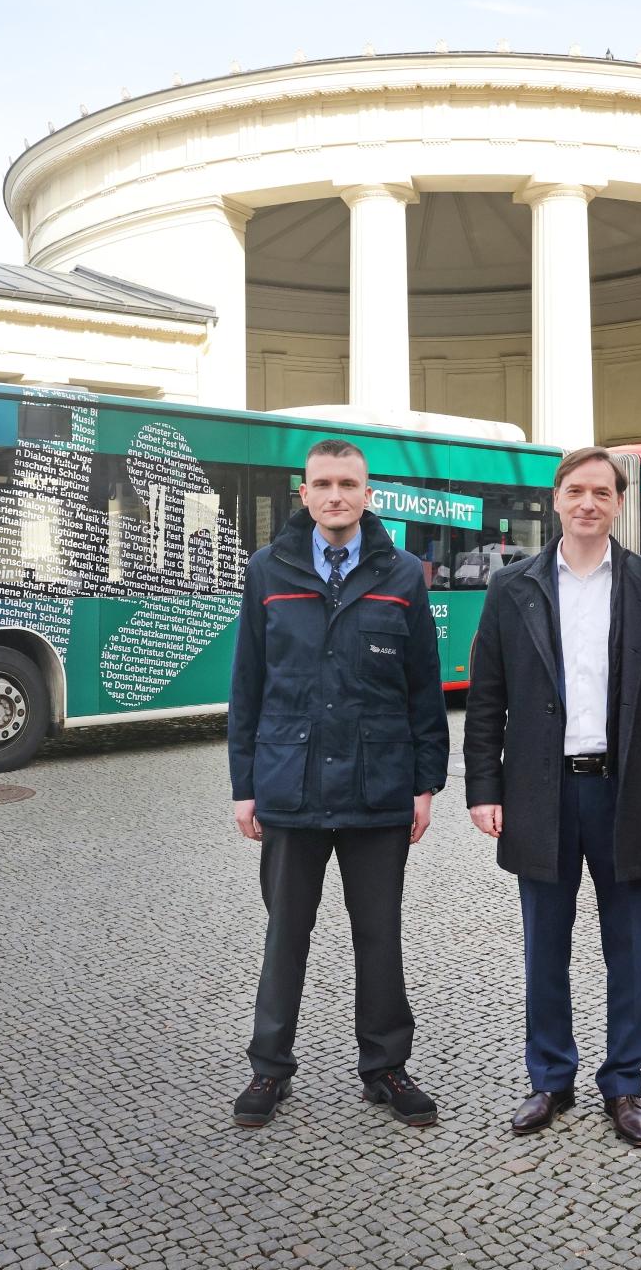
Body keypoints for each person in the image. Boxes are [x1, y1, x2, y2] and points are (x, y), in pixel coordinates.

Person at [464, 446, 641, 1147]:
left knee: (628, 947)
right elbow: (487, 700)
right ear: (556, 499)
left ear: (618, 503)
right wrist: (483, 787)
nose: (588, 504)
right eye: (575, 491)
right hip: (540, 793)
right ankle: (549, 1077)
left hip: (625, 792)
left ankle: (625, 1084)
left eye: (601, 492)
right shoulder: (513, 587)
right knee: (545, 946)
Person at [227, 438, 449, 1129]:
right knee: (285, 933)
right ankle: (269, 1069)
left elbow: (423, 690)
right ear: (304, 494)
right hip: (289, 785)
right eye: (322, 483)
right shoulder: (267, 570)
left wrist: (425, 783)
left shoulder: (404, 574)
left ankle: (385, 1066)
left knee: (379, 935)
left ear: (366, 494)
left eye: (347, 483)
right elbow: (248, 685)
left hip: (378, 787)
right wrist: (244, 785)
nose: (334, 495)